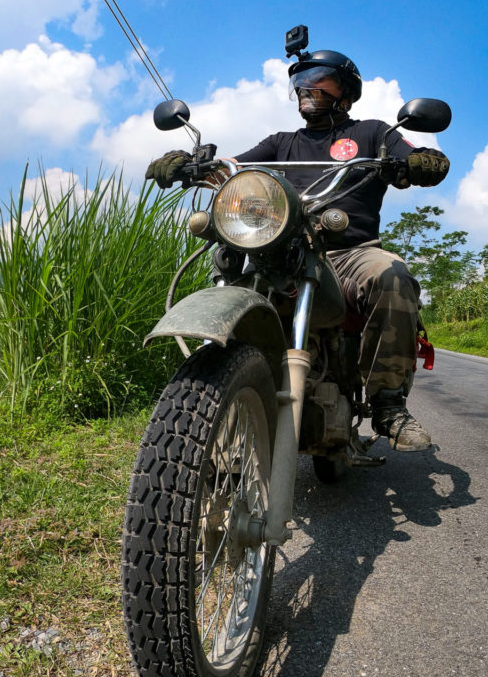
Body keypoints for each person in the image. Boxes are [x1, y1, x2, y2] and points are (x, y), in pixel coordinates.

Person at [145, 50, 449, 452]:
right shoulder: (281, 143)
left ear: (346, 91)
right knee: (228, 266)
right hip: (284, 247)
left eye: (320, 79)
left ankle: (389, 404)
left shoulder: (373, 133)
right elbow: (234, 167)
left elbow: (419, 157)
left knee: (392, 276)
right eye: (301, 82)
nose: (307, 88)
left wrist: (417, 161)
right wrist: (190, 164)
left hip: (350, 253)